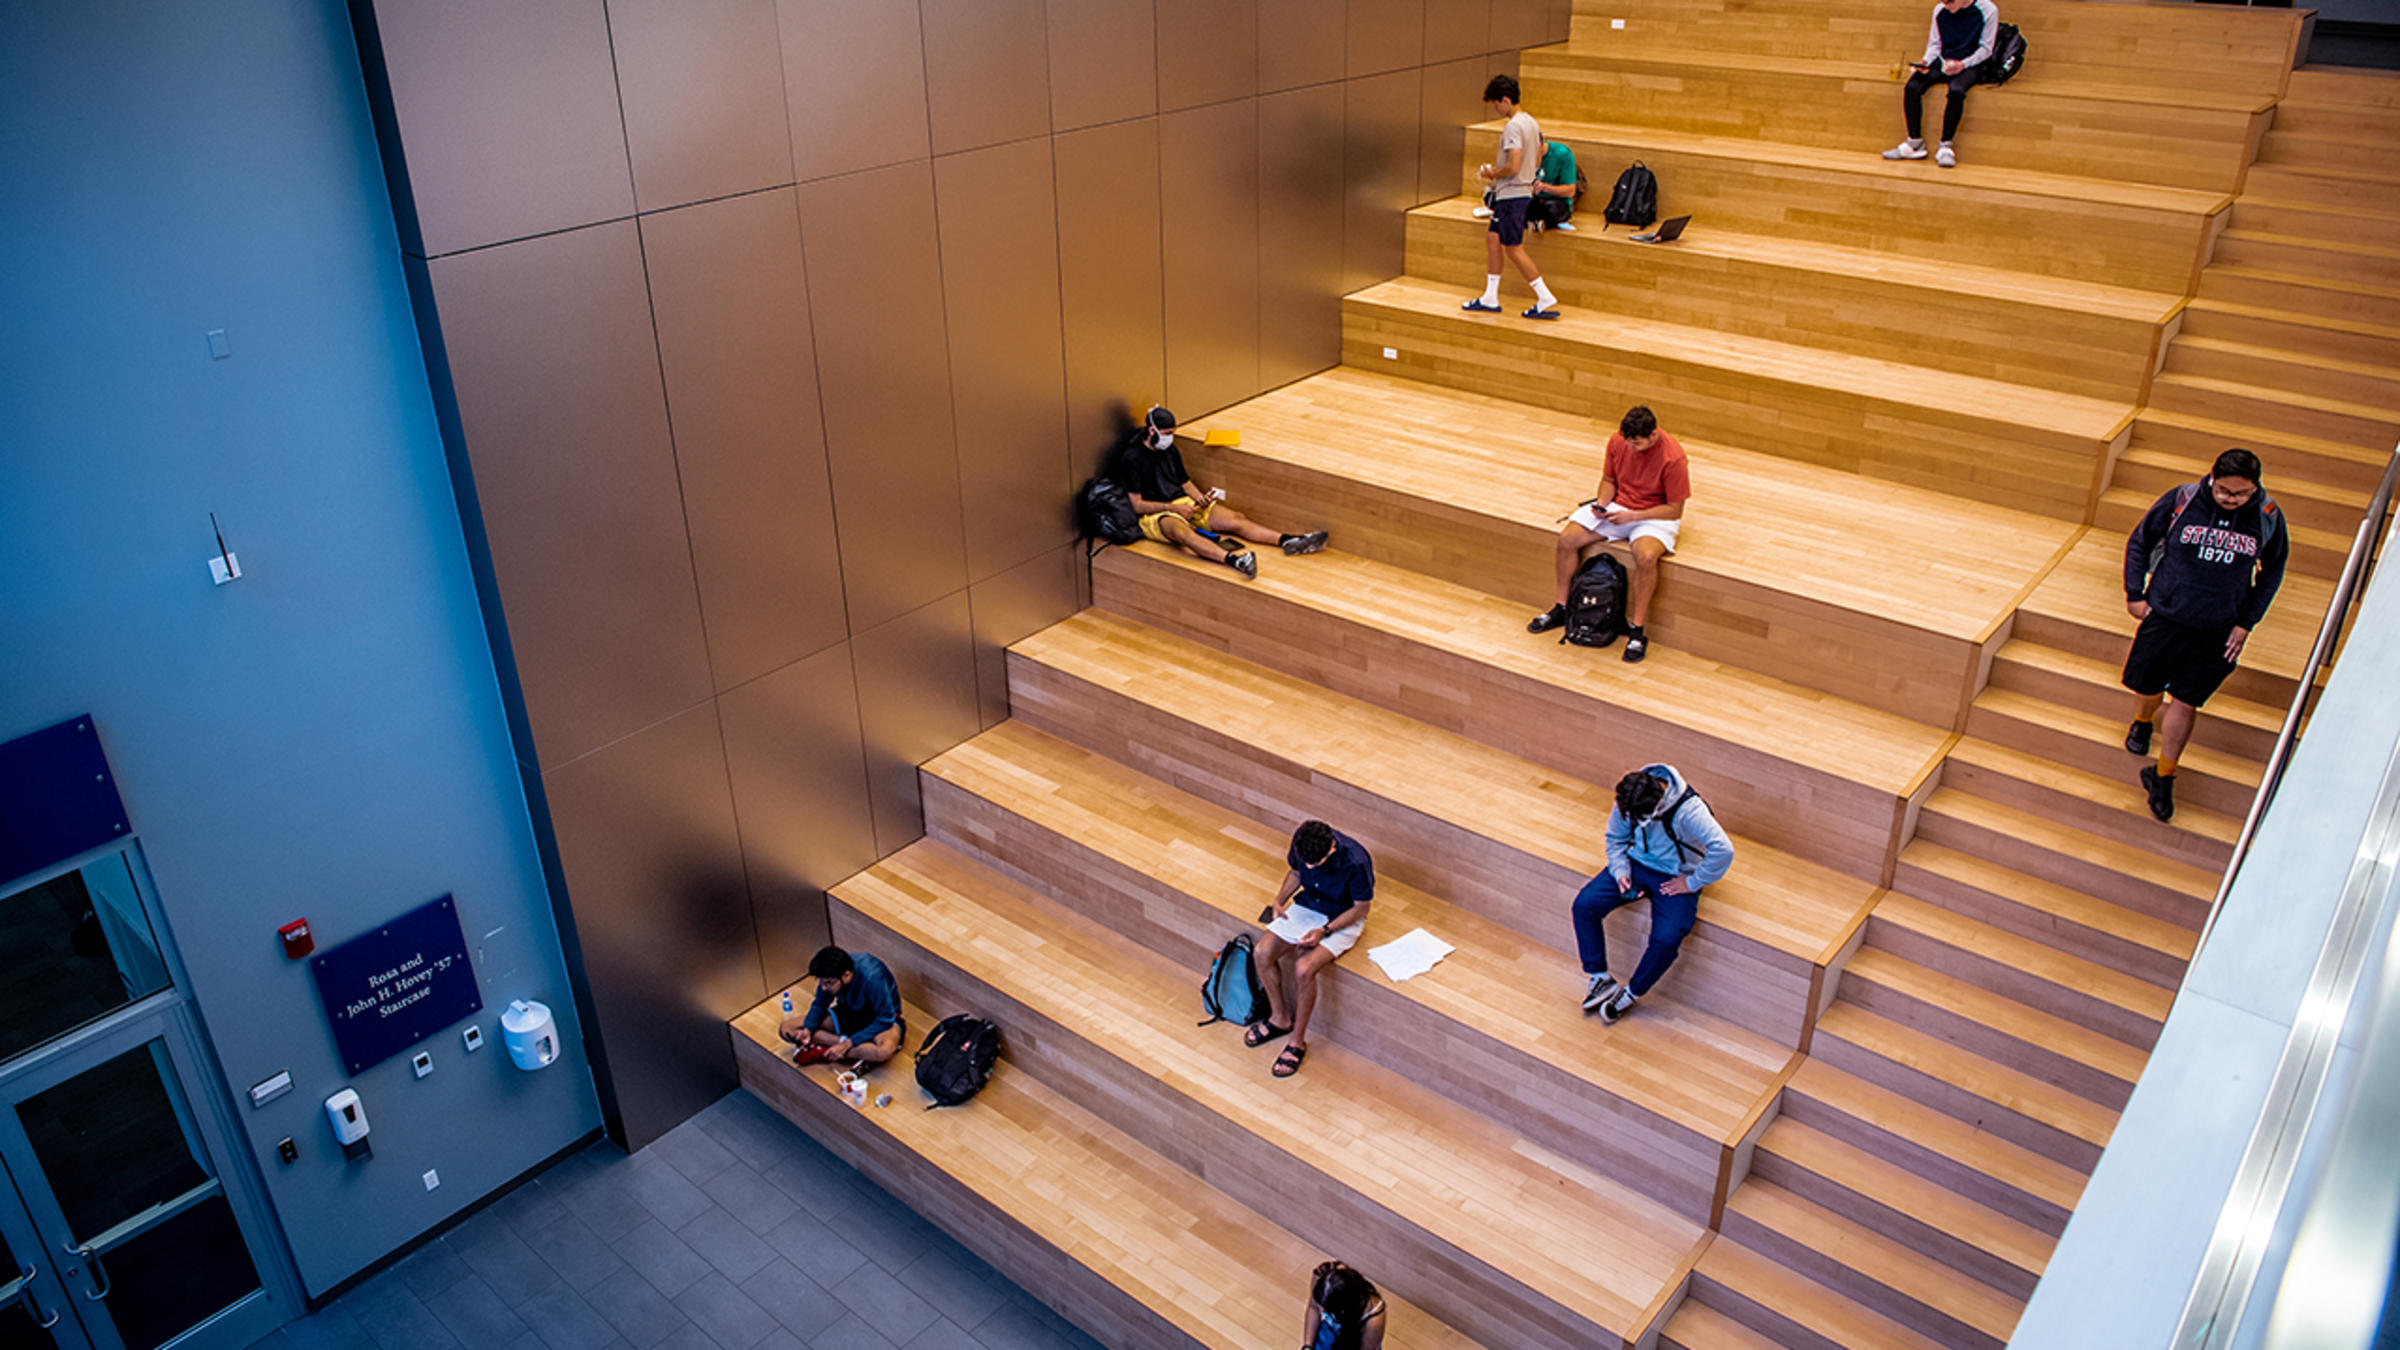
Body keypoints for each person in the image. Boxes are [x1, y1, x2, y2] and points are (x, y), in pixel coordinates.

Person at [2121, 448, 2287, 822]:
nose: (2231, 499)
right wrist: (2135, 593)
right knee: (2147, 687)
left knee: (2186, 700)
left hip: (2219, 629)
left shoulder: (2267, 515)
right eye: (2224, 490)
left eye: (2241, 493)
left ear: (2255, 487)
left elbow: (2272, 571)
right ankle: (2143, 722)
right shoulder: (2183, 499)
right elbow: (2140, 540)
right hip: (2167, 616)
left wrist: (2246, 622)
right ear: (2212, 478)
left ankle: (2164, 775)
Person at [1572, 766, 1735, 1024]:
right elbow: (1615, 839)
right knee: (1584, 905)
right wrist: (1620, 871)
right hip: (1637, 864)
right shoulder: (1629, 799)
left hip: (1676, 876)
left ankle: (1632, 992)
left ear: (1656, 805)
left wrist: (1693, 882)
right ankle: (1600, 978)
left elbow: (1724, 850)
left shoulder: (1690, 811)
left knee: (1666, 939)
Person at [1526, 405, 1690, 662]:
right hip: (1618, 507)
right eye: (1628, 442)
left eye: (1637, 444)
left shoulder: (1674, 458)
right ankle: (1562, 608)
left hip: (1652, 515)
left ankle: (1636, 630)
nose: (1631, 448)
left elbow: (1674, 509)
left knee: (1647, 557)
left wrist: (1633, 516)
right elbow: (1609, 480)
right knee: (1567, 539)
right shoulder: (1618, 441)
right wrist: (1602, 503)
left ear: (1654, 435)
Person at [1107, 406, 1327, 580]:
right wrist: (1173, 508)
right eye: (1167, 434)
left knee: (1235, 519)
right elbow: (1137, 504)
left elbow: (1185, 482)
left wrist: (1200, 498)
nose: (1170, 438)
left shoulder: (1170, 450)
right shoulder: (1132, 458)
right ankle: (1234, 561)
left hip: (1182, 502)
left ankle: (1287, 540)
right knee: (1182, 534)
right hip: (1157, 513)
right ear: (1152, 431)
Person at [1245, 820, 1374, 1079]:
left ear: (1332, 849)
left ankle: (1297, 1041)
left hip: (1341, 918)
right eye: (1308, 863)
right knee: (1261, 952)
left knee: (1303, 969)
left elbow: (1361, 908)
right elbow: (1295, 872)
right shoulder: (1302, 841)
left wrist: (1324, 931)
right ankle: (1279, 1018)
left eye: (1317, 864)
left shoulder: (1356, 861)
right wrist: (1279, 901)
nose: (1311, 868)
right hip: (1308, 907)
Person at [1461, 75, 1563, 321]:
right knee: (1493, 238)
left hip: (1512, 195)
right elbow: (1536, 159)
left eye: (1496, 104)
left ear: (1505, 100)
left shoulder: (1513, 127)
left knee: (1514, 248)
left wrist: (1493, 174)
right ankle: (1490, 296)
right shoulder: (1532, 123)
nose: (1496, 109)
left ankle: (1544, 296)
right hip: (1519, 192)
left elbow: (1514, 164)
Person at [1883, 0, 2000, 168]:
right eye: (1944, 1)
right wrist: (1926, 61)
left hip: (1970, 63)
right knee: (1912, 86)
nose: (1947, 5)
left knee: (1956, 91)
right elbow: (1935, 45)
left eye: (1950, 1)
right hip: (1943, 59)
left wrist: (1963, 64)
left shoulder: (1988, 10)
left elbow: (1986, 49)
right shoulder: (1940, 10)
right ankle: (1914, 142)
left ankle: (1945, 145)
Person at [779, 946, 904, 1067]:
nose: (823, 988)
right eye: (821, 982)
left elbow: (885, 1019)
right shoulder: (830, 975)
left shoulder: (873, 977)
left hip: (877, 1020)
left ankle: (828, 1050)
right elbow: (820, 1004)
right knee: (787, 1028)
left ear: (846, 975)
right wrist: (808, 1029)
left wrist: (849, 1043)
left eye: (828, 983)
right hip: (849, 1013)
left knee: (883, 1051)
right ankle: (846, 1050)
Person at [1303, 1261, 1388, 1350]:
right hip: (1329, 1333)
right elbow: (1313, 1308)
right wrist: (1308, 1346)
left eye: (1327, 1309)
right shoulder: (1322, 1278)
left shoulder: (1373, 1318)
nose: (1321, 1312)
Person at [1527, 137, 1582, 233]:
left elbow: (1570, 191)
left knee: (1554, 209)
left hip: (1556, 201)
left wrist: (1544, 187)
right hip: (1534, 200)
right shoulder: (1521, 155)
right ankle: (1536, 221)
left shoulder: (1562, 154)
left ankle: (1535, 221)